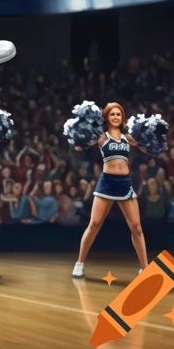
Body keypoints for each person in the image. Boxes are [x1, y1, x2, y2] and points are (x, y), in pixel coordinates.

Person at [72, 103, 149, 278]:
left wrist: (153, 140)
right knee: (95, 224)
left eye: (119, 114)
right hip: (107, 182)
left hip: (124, 183)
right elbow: (80, 146)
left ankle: (145, 268)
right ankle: (79, 263)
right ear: (107, 117)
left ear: (122, 117)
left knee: (136, 227)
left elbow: (149, 149)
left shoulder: (127, 138)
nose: (116, 117)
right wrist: (79, 139)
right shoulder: (101, 137)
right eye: (112, 114)